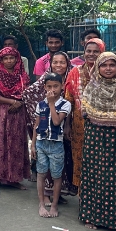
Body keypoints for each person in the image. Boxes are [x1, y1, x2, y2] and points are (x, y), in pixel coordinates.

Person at [79, 52, 116, 230]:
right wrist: (115, 120)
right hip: (95, 139)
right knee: (94, 176)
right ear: (98, 67)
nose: (108, 69)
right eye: (104, 65)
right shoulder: (92, 86)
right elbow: (85, 110)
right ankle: (91, 217)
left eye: (112, 65)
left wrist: (108, 119)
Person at [23, 51, 71, 193]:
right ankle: (47, 193)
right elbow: (29, 93)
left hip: (65, 125)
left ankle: (59, 192)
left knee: (62, 161)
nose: (58, 65)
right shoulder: (46, 79)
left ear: (67, 63)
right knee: (45, 165)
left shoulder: (72, 77)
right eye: (55, 62)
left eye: (62, 62)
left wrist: (68, 124)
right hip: (46, 129)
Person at [0, 46, 30, 190]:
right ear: (1, 60)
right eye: (6, 58)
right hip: (0, 113)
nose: (9, 61)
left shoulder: (22, 76)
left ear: (17, 59)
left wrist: (20, 103)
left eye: (12, 58)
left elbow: (28, 93)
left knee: (16, 145)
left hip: (17, 114)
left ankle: (14, 179)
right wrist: (12, 102)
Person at [64, 38, 104, 195]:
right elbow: (69, 101)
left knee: (99, 162)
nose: (92, 54)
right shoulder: (75, 72)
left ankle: (99, 196)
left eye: (96, 51)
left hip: (101, 126)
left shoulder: (107, 70)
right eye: (89, 51)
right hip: (79, 126)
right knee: (80, 160)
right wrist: (67, 125)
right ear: (84, 52)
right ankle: (83, 197)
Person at [30, 73, 71, 217]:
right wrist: (33, 145)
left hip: (56, 146)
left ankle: (54, 205)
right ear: (44, 87)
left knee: (56, 176)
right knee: (41, 174)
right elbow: (36, 125)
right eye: (49, 87)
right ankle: (41, 204)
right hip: (41, 143)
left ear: (62, 87)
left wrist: (52, 103)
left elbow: (56, 122)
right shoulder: (40, 104)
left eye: (56, 86)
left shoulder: (65, 104)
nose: (52, 89)